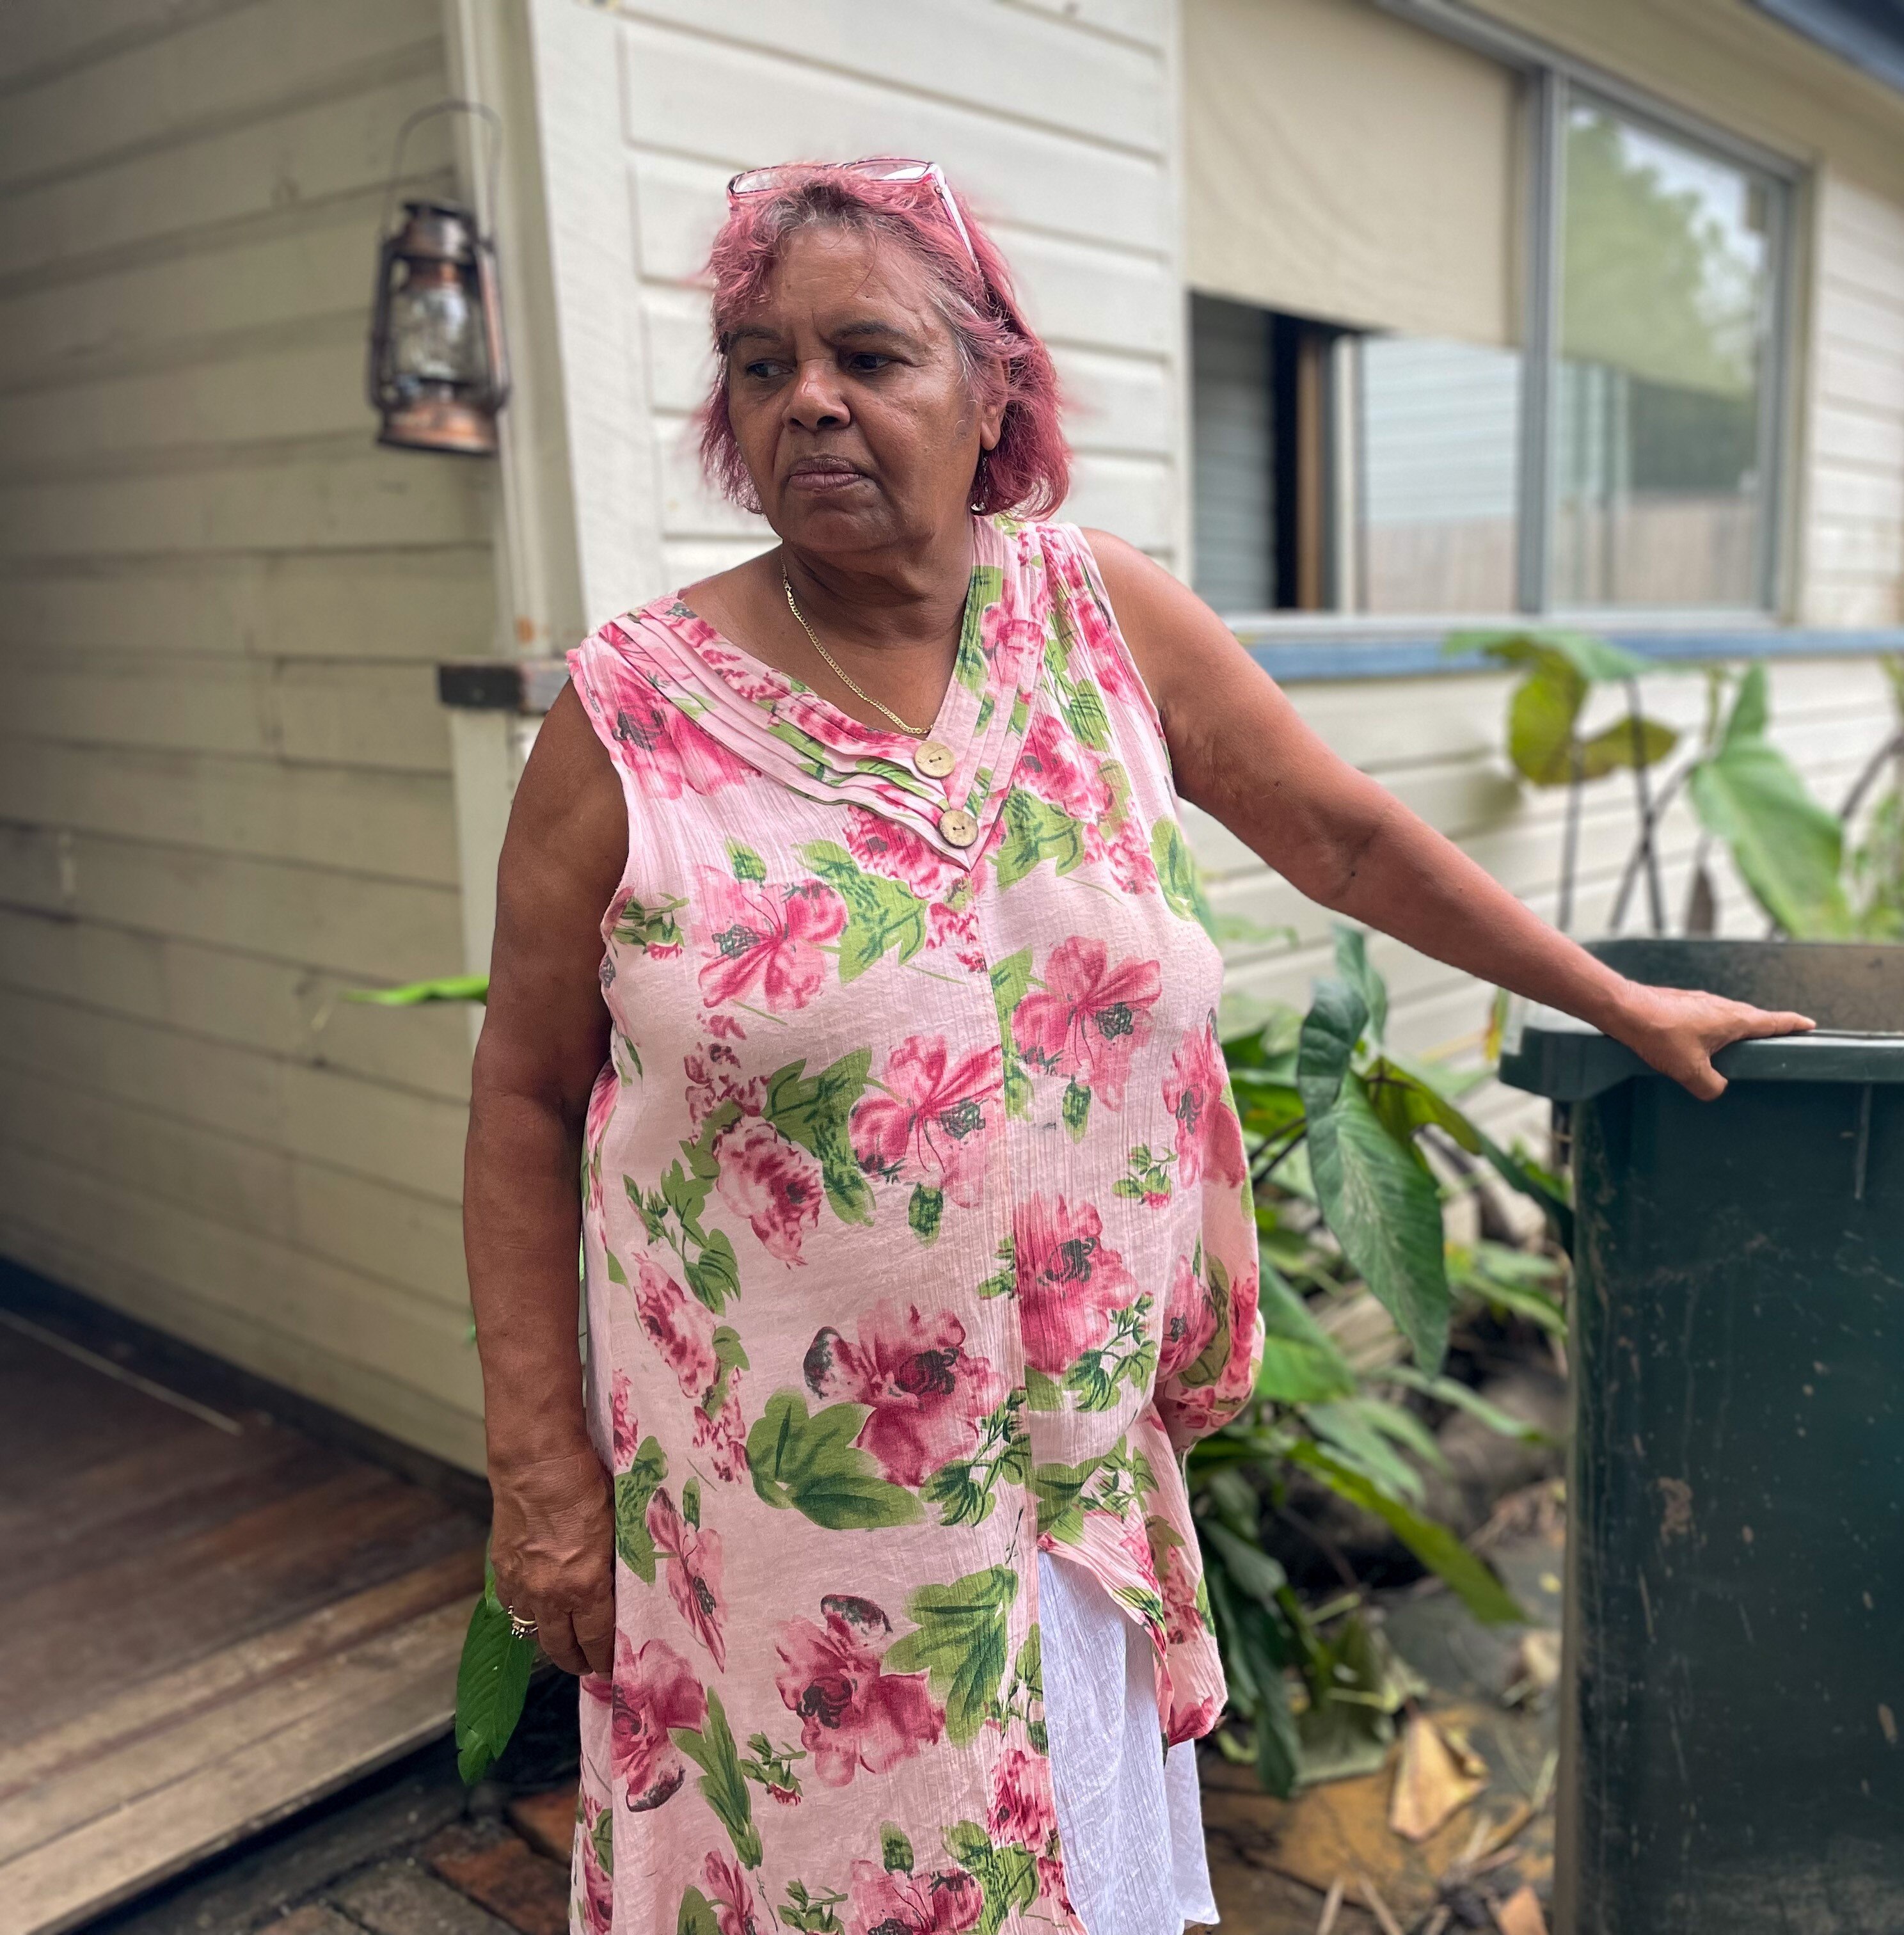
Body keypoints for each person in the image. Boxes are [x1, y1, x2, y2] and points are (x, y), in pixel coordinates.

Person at [463, 159, 1811, 1935]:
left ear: (993, 388)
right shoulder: (631, 720)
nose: (810, 402)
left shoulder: (1097, 620)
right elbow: (525, 1096)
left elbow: (1343, 839)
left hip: (1067, 1480)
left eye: (869, 354)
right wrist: (545, 1479)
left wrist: (1608, 998)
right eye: (761, 361)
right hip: (780, 1541)